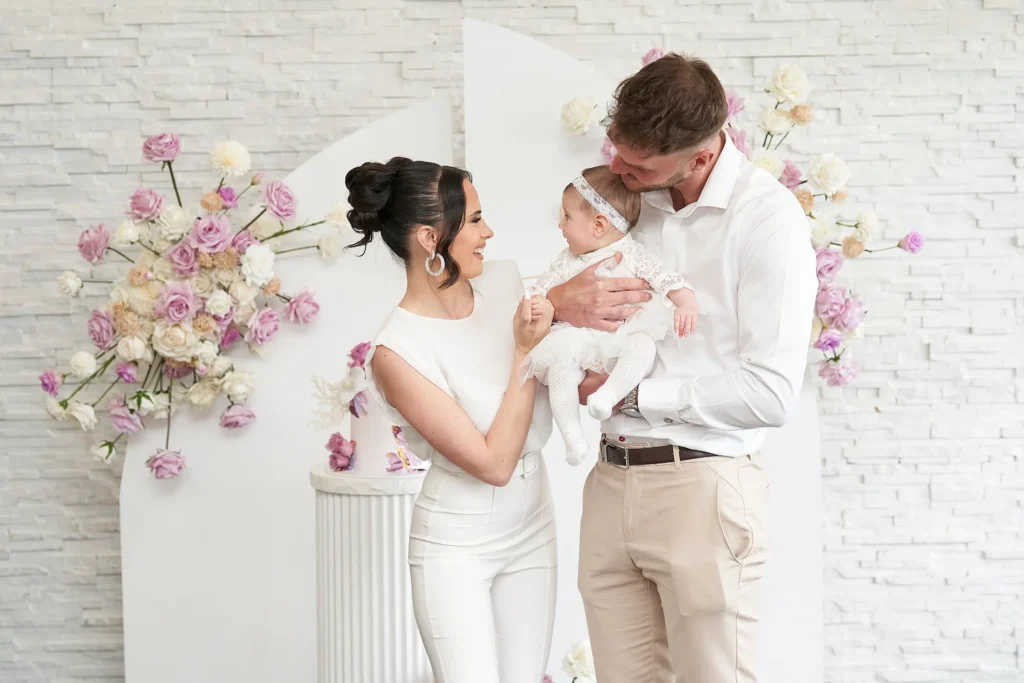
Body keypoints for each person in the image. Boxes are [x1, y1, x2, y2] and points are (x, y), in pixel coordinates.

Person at [547, 54, 818, 682]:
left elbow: (772, 394)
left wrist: (631, 396)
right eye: (616, 150)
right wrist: (563, 305)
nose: (616, 170)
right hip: (609, 483)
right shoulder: (629, 204)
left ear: (700, 157)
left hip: (703, 488)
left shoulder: (767, 221)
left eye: (636, 165)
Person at [347, 157, 557, 683]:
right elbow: (492, 463)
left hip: (534, 521)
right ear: (429, 237)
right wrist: (524, 353)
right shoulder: (397, 353)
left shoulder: (507, 283)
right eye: (476, 221)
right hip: (457, 543)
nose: (490, 233)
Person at [520, 164, 698, 466]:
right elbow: (543, 285)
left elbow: (664, 277)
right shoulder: (567, 260)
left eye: (566, 217)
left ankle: (609, 394)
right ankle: (573, 436)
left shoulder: (632, 253)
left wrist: (686, 303)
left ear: (599, 225)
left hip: (623, 336)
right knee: (560, 371)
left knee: (644, 346)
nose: (560, 226)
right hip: (578, 340)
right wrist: (539, 301)